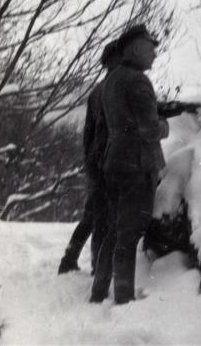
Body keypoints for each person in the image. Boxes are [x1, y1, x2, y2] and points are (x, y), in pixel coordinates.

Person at [91, 24, 168, 304]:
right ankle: (124, 299)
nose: (154, 55)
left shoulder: (112, 79)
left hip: (115, 164)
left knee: (114, 231)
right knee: (129, 235)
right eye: (150, 48)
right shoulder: (138, 80)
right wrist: (165, 126)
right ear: (135, 49)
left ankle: (99, 291)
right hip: (137, 167)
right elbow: (149, 130)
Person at [58, 40, 121, 275]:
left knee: (92, 216)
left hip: (95, 160)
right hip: (104, 162)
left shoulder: (98, 90)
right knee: (100, 219)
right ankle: (97, 267)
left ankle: (70, 259)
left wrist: (90, 162)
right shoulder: (110, 89)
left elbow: (88, 133)